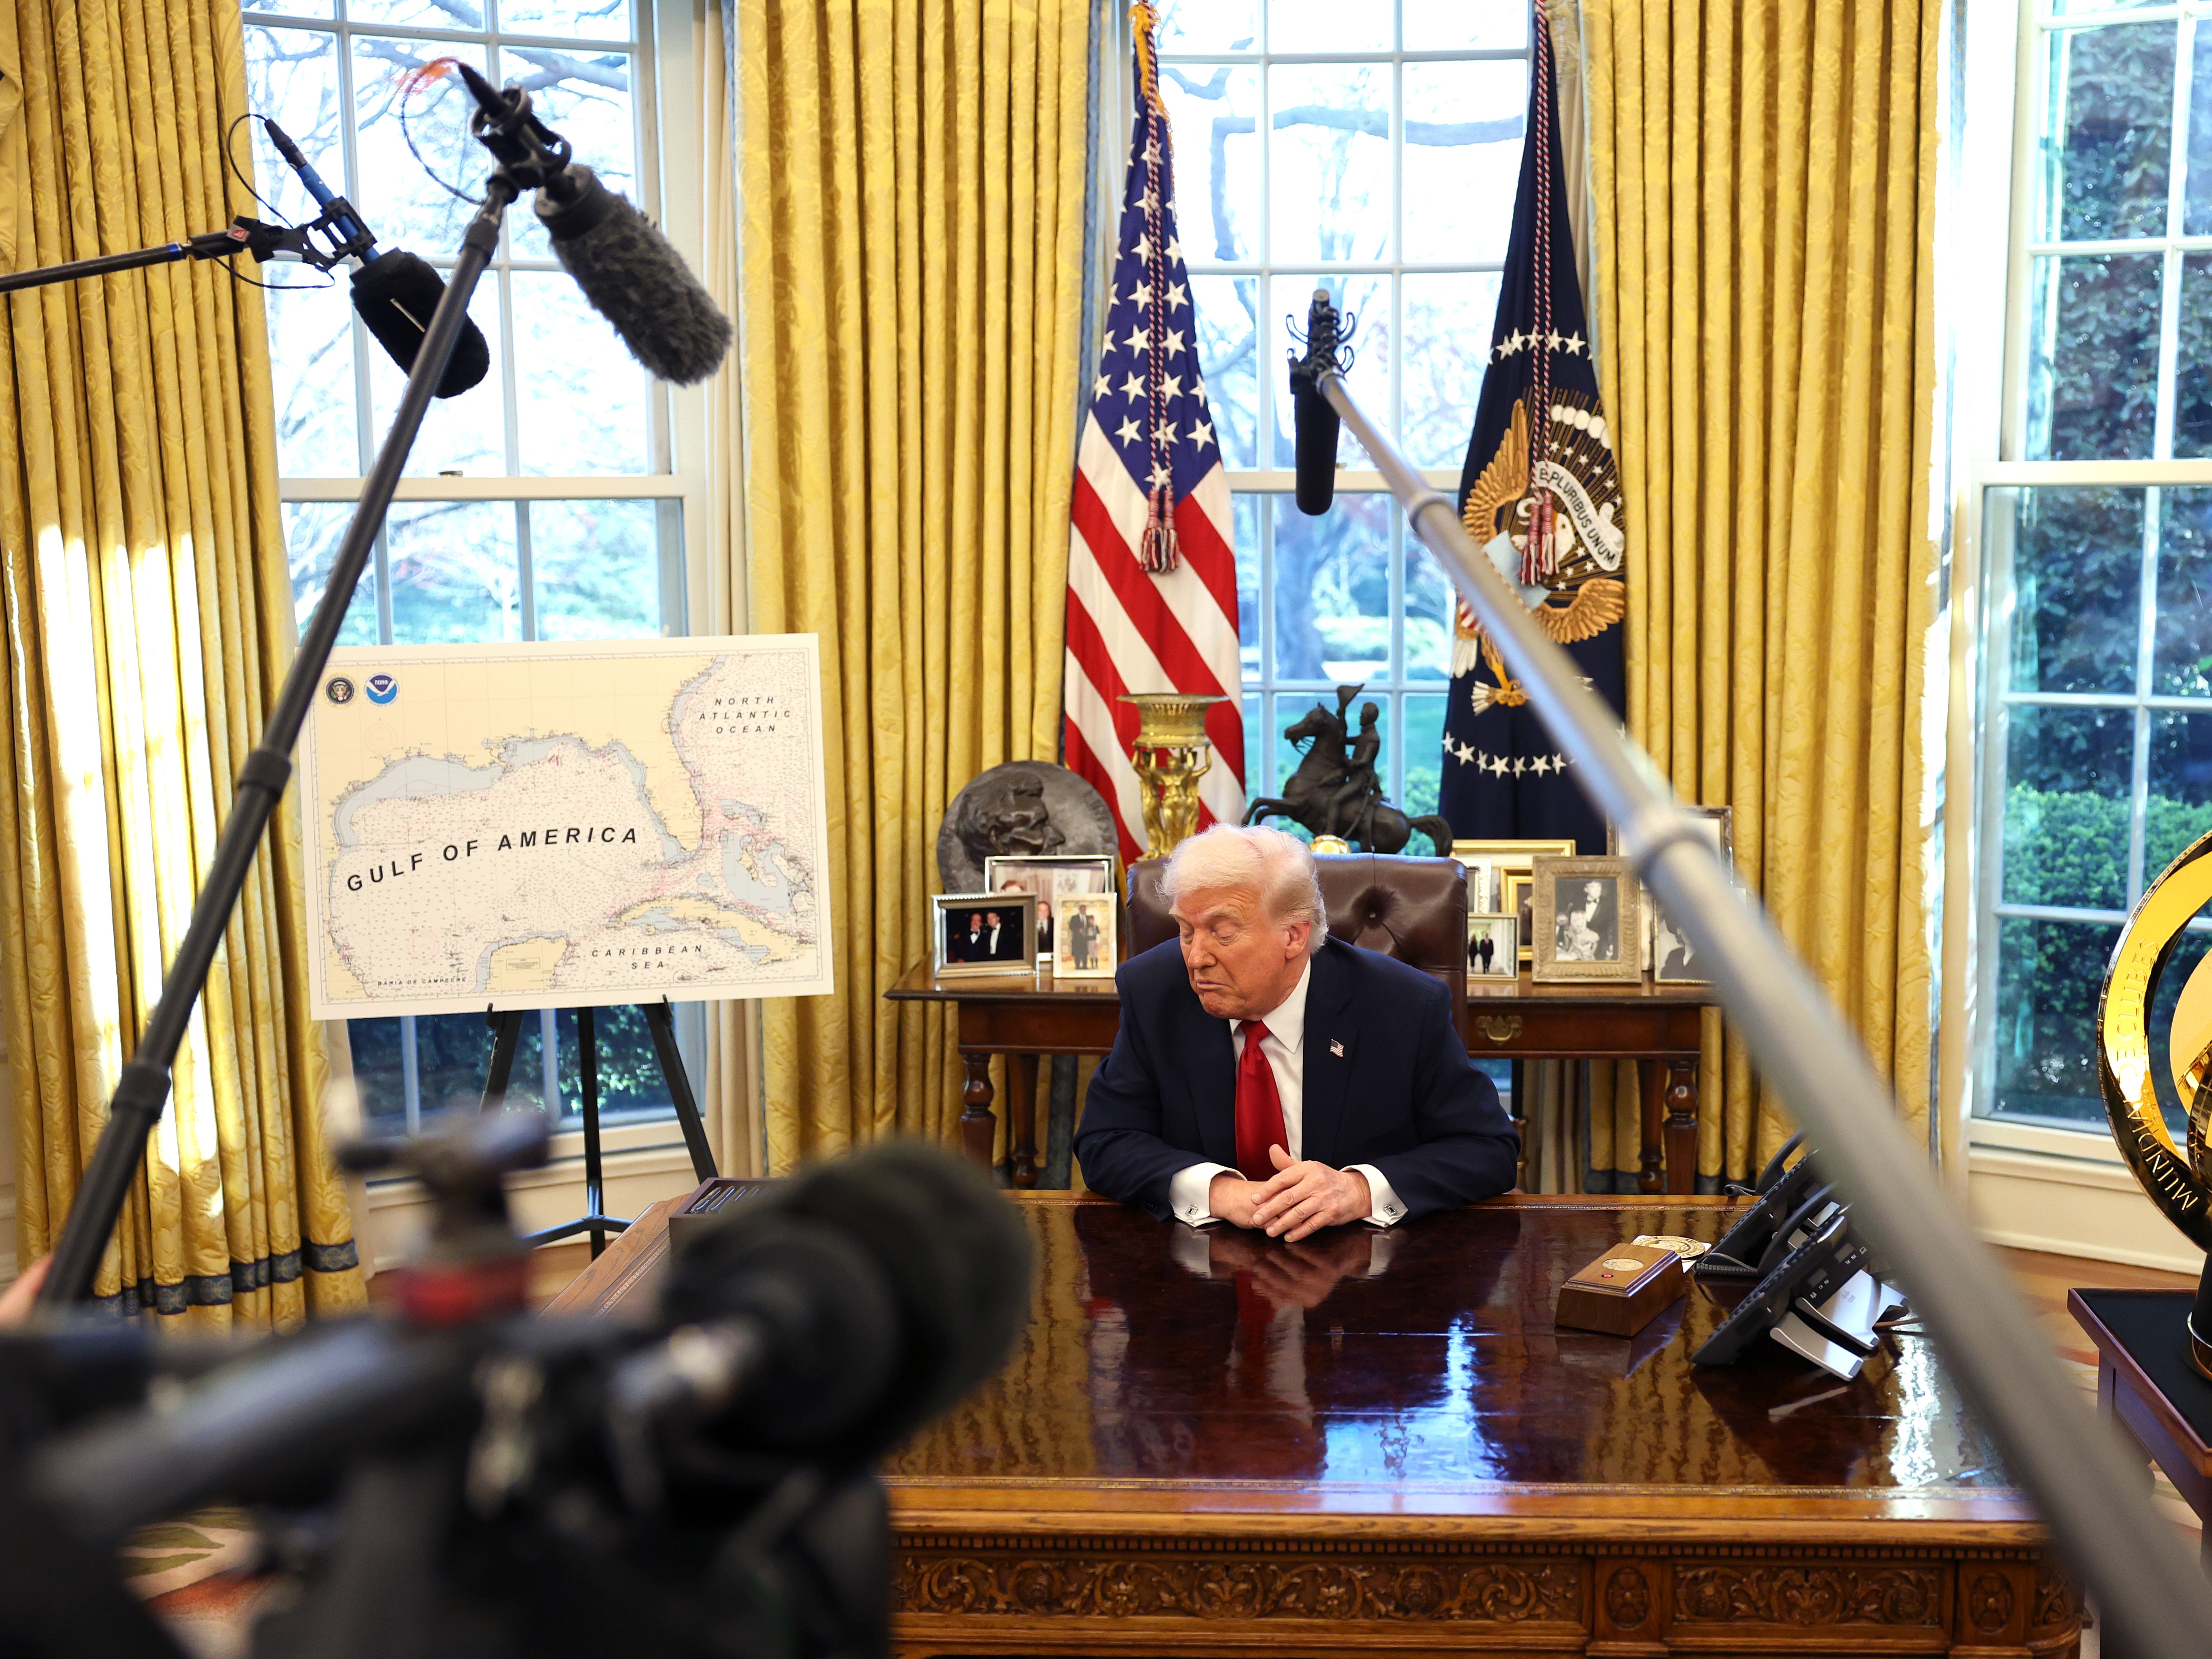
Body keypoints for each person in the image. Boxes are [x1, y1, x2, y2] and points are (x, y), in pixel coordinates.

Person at [1075, 824, 1520, 1238]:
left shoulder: (1402, 1006)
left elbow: (1488, 1149)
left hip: (1362, 1281)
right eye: (1186, 930)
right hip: (1199, 1278)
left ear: (1293, 936)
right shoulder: (1155, 990)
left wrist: (1358, 1189)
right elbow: (1105, 1140)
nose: (1195, 957)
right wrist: (1218, 1190)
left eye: (1222, 933)